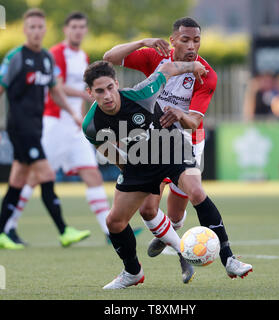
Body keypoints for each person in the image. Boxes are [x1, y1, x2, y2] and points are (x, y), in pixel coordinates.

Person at [82, 60, 253, 289]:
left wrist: (192, 65)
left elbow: (167, 70)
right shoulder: (91, 125)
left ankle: (229, 259)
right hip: (140, 160)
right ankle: (133, 272)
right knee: (114, 221)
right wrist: (132, 175)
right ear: (89, 93)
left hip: (171, 148)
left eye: (110, 88)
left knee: (196, 192)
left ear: (116, 83)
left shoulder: (141, 93)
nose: (107, 96)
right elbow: (110, 152)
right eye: (99, 91)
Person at [3, 12, 143, 245]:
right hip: (54, 124)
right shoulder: (56, 53)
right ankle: (9, 227)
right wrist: (83, 96)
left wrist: (79, 110)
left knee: (92, 175)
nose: (78, 31)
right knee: (33, 177)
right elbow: (57, 88)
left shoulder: (82, 56)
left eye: (81, 27)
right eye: (74, 27)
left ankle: (110, 231)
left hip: (76, 125)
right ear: (66, 30)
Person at [103, 18, 219, 262]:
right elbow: (109, 57)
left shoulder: (205, 74)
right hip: (156, 141)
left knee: (176, 214)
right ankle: (180, 249)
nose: (191, 46)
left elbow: (195, 122)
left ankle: (171, 231)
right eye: (185, 40)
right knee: (147, 208)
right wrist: (143, 41)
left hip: (188, 141)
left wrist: (179, 114)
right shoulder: (156, 58)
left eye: (196, 41)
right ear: (173, 40)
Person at [0, 8, 90, 249]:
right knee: (47, 175)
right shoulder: (16, 57)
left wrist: (73, 113)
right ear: (25, 30)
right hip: (20, 127)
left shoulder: (47, 59)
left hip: (36, 126)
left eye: (40, 27)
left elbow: (56, 91)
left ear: (45, 29)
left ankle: (1, 232)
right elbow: (1, 87)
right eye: (32, 27)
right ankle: (64, 230)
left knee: (18, 180)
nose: (37, 32)